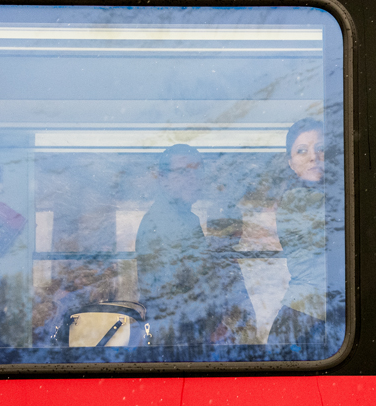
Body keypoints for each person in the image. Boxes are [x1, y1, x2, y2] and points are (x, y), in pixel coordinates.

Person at [135, 144, 255, 346]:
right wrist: (210, 331)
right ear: (162, 179)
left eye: (197, 171)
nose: (193, 178)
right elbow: (173, 297)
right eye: (182, 172)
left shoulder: (185, 218)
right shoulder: (164, 222)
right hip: (182, 340)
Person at [266, 119, 329, 358]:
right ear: (292, 164)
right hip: (304, 321)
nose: (314, 157)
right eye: (302, 151)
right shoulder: (297, 199)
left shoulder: (323, 196)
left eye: (321, 148)